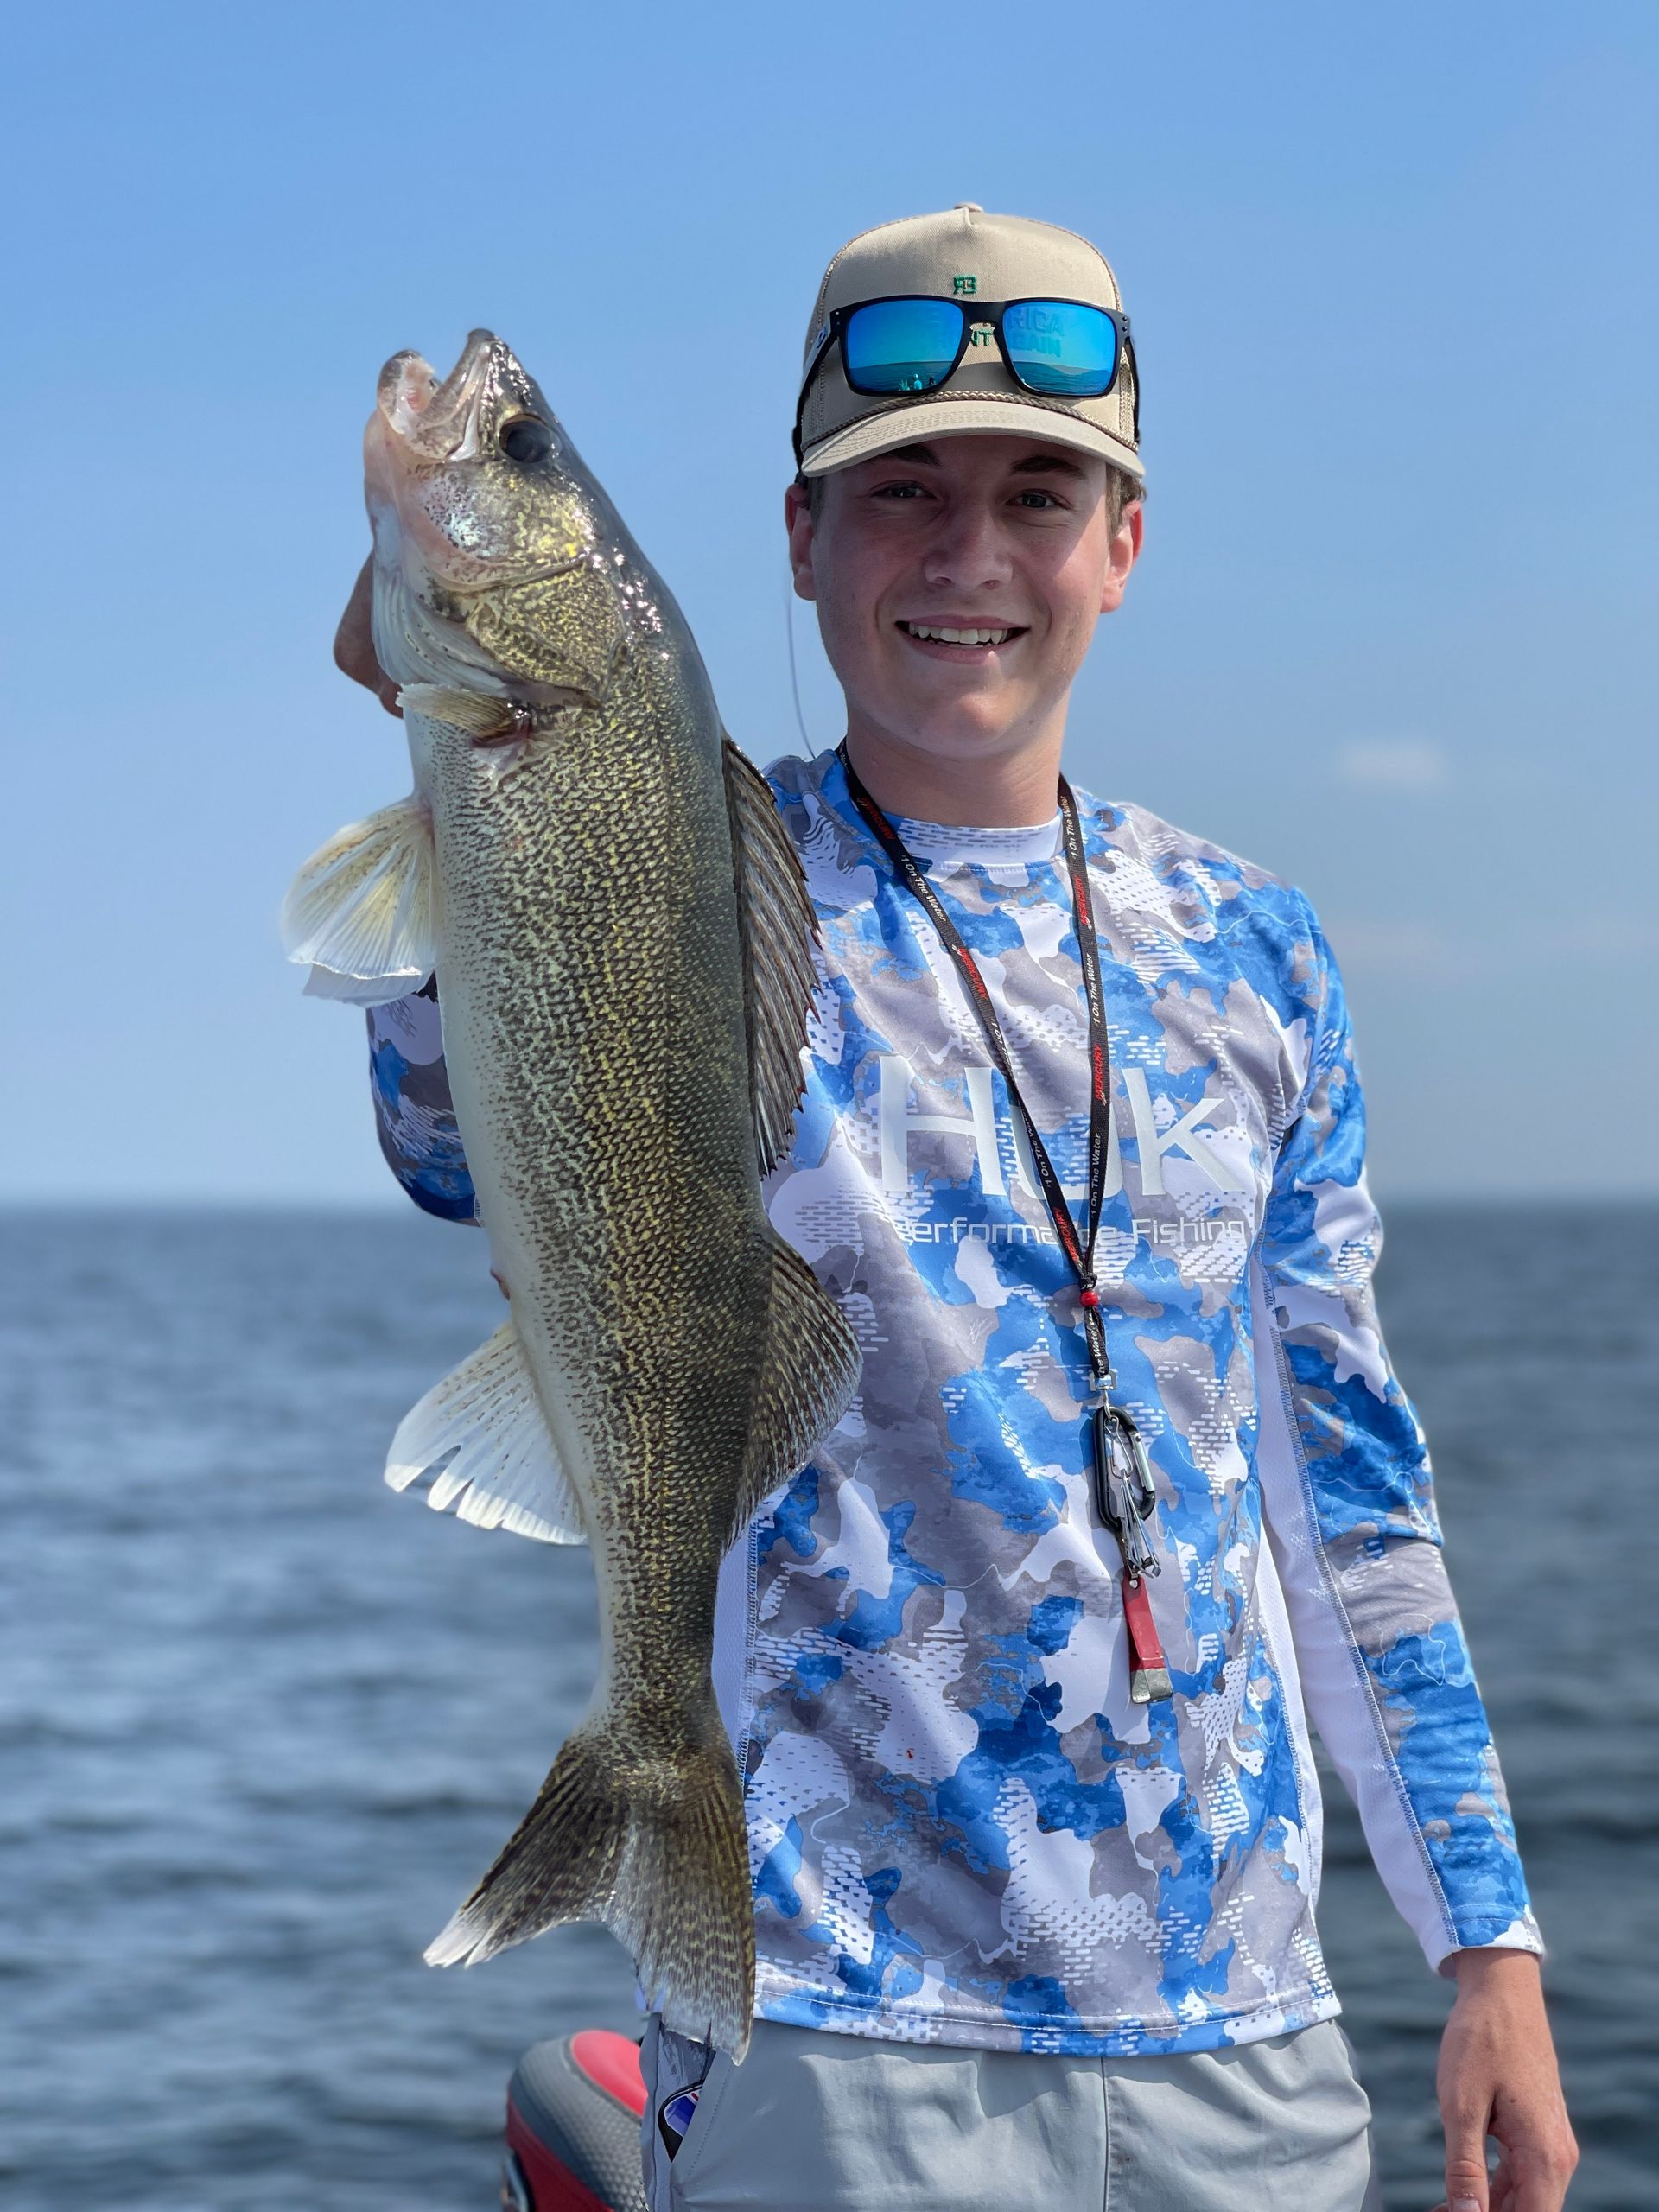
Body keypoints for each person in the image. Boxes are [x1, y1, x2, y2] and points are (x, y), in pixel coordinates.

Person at [334, 207, 1577, 2212]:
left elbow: (1348, 1489)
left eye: (1037, 491)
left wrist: (1490, 1944)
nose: (968, 552)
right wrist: (436, 760)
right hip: (828, 2018)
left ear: (1127, 543)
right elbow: (452, 1150)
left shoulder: (1259, 950)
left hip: (1245, 2036)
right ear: (803, 540)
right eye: (899, 490)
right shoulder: (683, 852)